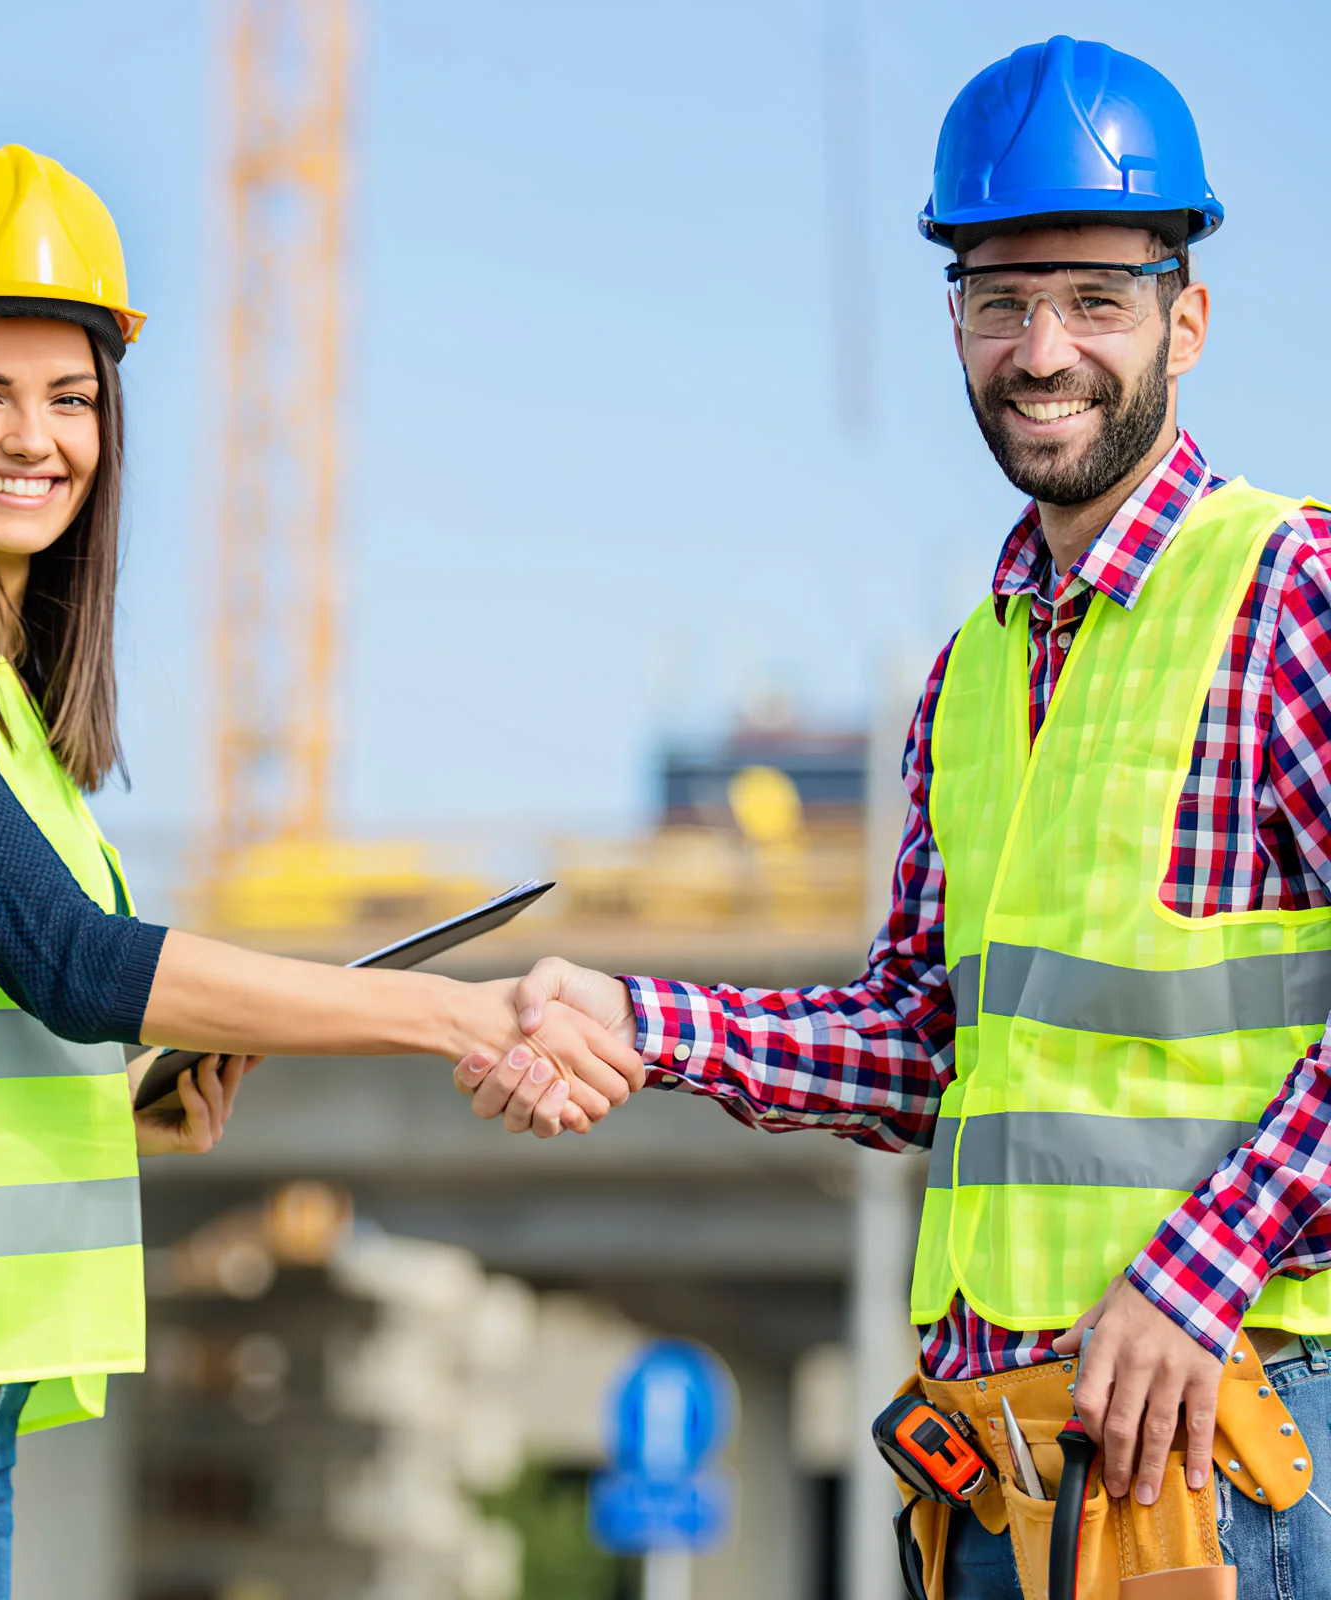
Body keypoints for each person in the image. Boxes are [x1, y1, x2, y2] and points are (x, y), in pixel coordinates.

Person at [458, 35, 1331, 1600]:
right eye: (999, 300)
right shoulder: (965, 681)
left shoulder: (1293, 597)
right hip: (998, 1465)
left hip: (1233, 1439)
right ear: (955, 325)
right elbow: (926, 1044)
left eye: (1094, 299)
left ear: (1186, 319)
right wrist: (641, 1022)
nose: (1041, 347)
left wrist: (1205, 1276)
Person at [0, 144, 641, 1600]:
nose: (35, 437)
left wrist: (127, 1112)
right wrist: (458, 1017)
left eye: (72, 397)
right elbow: (74, 962)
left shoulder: (10, 712)